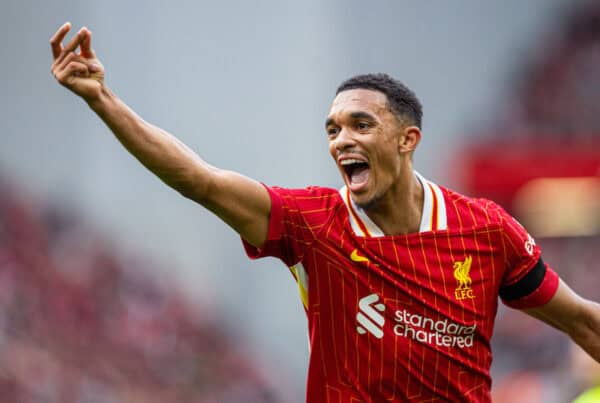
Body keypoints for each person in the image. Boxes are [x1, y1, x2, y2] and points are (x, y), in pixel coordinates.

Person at [50, 22, 600, 402]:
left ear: (408, 139)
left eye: (361, 125)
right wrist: (103, 100)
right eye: (332, 129)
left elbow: (579, 319)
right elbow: (199, 178)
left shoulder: (484, 229)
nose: (341, 141)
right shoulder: (313, 224)